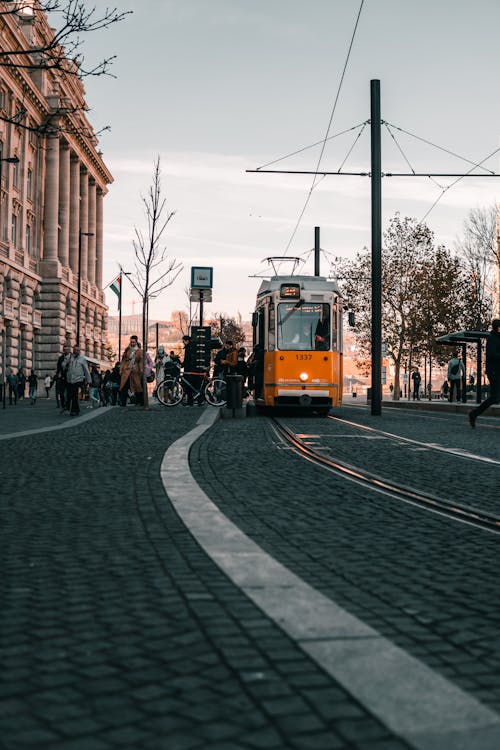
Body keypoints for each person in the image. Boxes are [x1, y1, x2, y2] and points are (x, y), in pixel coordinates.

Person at [468, 319, 500, 427]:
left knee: (494, 397)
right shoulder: (492, 339)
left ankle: (474, 414)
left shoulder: (497, 338)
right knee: (494, 397)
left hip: (497, 371)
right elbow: (492, 355)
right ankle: (474, 414)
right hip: (494, 371)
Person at [119, 335, 144, 406]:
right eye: (131, 342)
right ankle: (123, 403)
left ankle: (140, 401)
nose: (132, 343)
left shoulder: (139, 351)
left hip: (135, 371)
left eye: (133, 342)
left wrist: (140, 369)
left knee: (137, 387)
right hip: (126, 371)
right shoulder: (127, 349)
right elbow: (123, 360)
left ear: (136, 342)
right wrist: (121, 369)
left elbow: (141, 361)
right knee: (124, 387)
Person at [66, 345, 91, 416]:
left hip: (78, 380)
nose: (76, 352)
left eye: (77, 350)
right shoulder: (69, 358)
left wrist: (89, 380)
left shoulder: (82, 359)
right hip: (70, 379)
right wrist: (66, 363)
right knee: (70, 395)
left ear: (79, 351)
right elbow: (63, 365)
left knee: (74, 395)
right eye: (75, 350)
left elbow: (86, 370)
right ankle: (76, 409)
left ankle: (73, 410)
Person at [181, 334, 202, 405]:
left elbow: (187, 359)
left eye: (184, 341)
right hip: (193, 368)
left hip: (189, 369)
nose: (183, 342)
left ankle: (190, 401)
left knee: (188, 384)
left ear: (187, 341)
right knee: (193, 384)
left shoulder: (188, 347)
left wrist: (182, 365)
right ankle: (197, 400)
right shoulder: (192, 346)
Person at [55, 343, 71, 411]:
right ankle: (63, 405)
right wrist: (58, 374)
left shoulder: (72, 357)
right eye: (64, 349)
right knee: (61, 392)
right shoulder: (61, 358)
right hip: (62, 377)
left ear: (69, 349)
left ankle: (68, 406)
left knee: (69, 393)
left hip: (70, 377)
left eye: (66, 349)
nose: (65, 351)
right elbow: (58, 368)